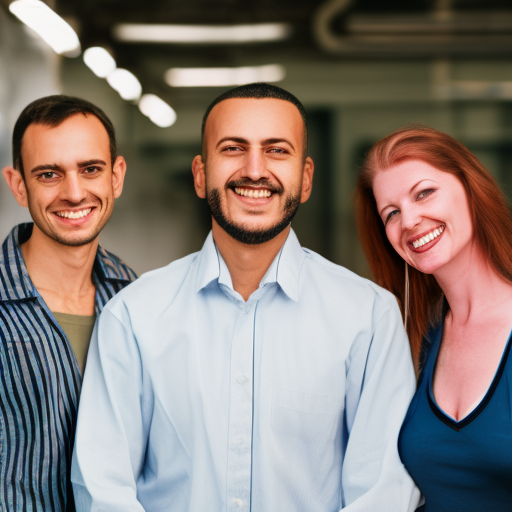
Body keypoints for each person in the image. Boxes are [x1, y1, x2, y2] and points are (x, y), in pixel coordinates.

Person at [71, 83, 419, 512]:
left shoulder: (369, 318)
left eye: (277, 150)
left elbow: (383, 493)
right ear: (200, 174)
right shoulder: (132, 316)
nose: (255, 170)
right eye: (233, 149)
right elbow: (103, 488)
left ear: (306, 178)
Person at [355, 125, 512, 511]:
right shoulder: (414, 339)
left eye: (424, 193)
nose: (408, 221)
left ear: (470, 188)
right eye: (391, 213)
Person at [0, 95, 136, 512]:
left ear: (116, 176)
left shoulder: (137, 300)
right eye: (49, 174)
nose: (74, 193)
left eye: (90, 169)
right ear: (19, 185)